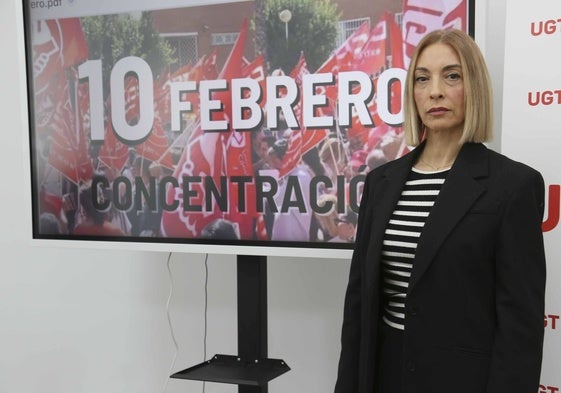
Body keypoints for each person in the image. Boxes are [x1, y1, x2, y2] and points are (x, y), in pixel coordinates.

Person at [334, 29, 546, 393]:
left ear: (474, 85)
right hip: (385, 375)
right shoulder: (381, 182)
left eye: (452, 75)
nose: (435, 91)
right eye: (422, 78)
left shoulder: (512, 186)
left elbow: (520, 327)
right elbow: (358, 306)